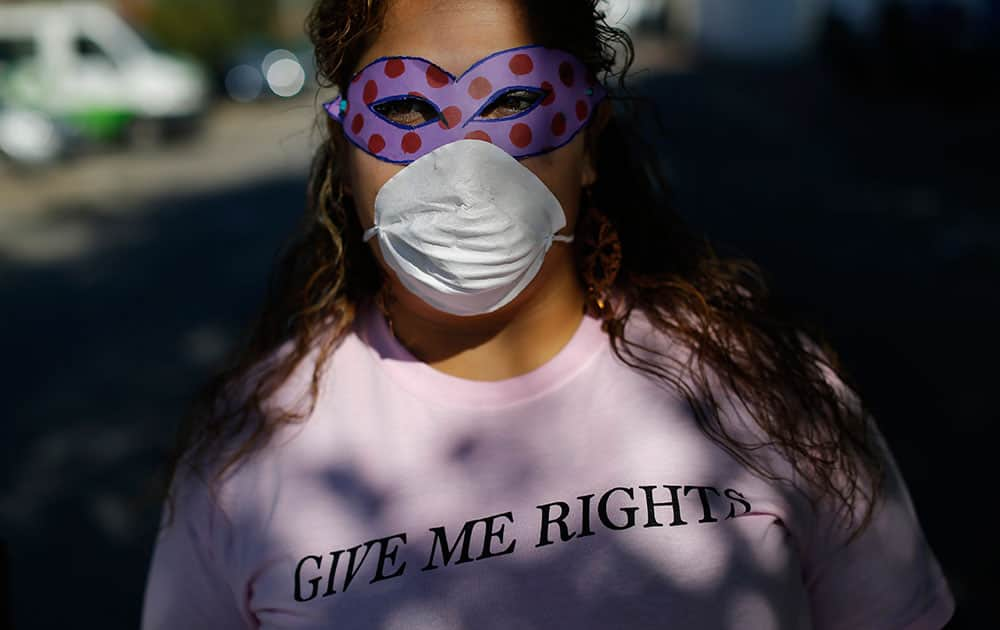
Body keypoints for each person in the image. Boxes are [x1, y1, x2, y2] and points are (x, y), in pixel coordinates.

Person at [140, 0, 956, 628]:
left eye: (515, 99)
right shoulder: (246, 456)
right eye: (408, 111)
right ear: (346, 145)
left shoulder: (764, 387)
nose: (462, 165)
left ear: (592, 140)